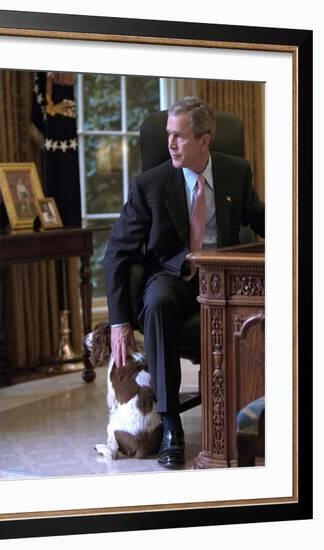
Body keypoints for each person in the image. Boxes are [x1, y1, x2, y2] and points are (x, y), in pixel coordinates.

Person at [104, 97, 265, 468]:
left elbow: (260, 218)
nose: (170, 145)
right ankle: (171, 422)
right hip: (173, 276)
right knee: (158, 302)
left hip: (224, 279)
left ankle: (259, 412)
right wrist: (119, 320)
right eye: (168, 136)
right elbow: (117, 252)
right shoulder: (150, 184)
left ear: (205, 140)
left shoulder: (236, 172)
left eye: (179, 137)